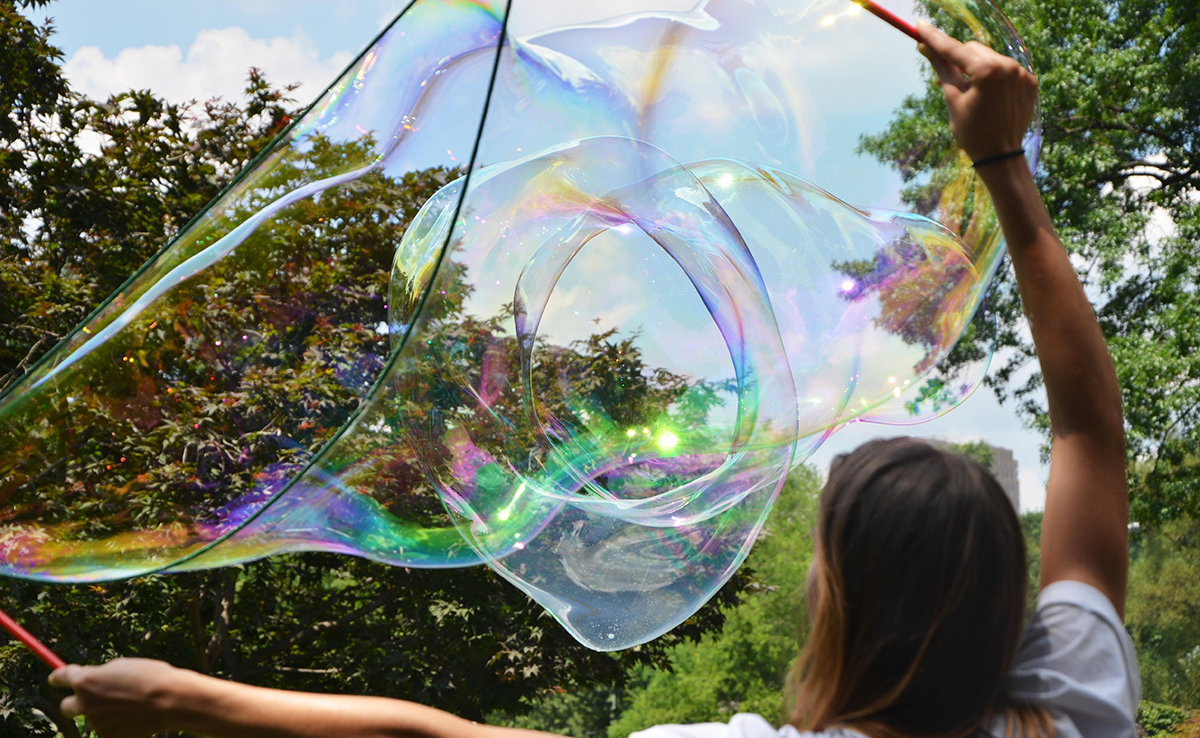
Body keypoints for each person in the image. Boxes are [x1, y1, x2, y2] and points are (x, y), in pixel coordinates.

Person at [46, 22, 1139, 738]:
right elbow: (1090, 427)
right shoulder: (1074, 706)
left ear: (838, 602)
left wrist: (173, 698)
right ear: (1005, 607)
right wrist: (1003, 163)